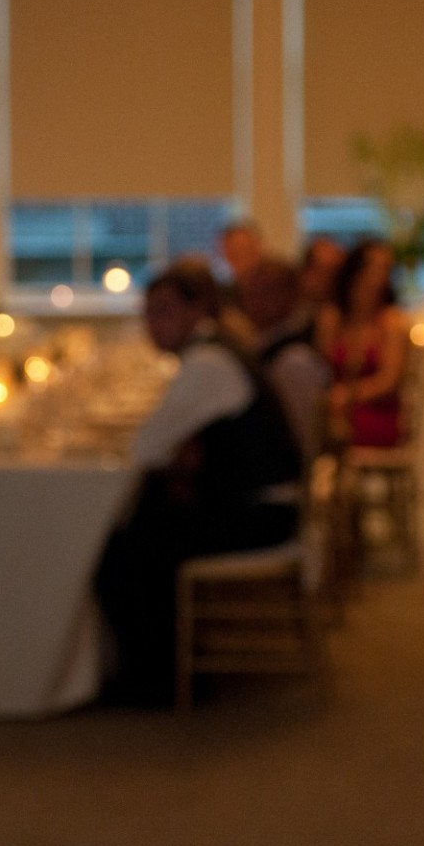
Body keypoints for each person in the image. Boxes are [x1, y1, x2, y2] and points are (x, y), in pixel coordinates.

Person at [93, 263, 302, 705]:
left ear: (198, 309)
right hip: (263, 503)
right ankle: (163, 665)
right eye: (148, 313)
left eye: (164, 311)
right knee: (140, 522)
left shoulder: (208, 362)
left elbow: (146, 447)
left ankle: (156, 680)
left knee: (121, 548)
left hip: (263, 515)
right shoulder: (214, 351)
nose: (153, 324)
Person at [315, 238, 410, 448]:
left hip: (374, 412)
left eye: (386, 269)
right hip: (335, 409)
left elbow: (389, 381)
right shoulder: (332, 319)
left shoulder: (392, 323)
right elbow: (322, 369)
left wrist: (348, 396)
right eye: (373, 268)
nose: (378, 277)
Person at [239, 256, 333, 459]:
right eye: (251, 291)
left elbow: (302, 442)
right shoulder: (263, 345)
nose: (256, 300)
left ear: (293, 294)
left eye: (268, 291)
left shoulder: (294, 359)